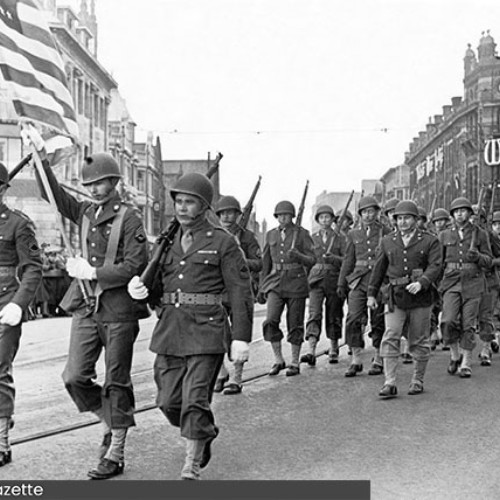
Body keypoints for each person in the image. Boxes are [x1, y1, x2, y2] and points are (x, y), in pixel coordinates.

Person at [24, 126, 150, 479]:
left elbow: (134, 264)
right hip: (85, 306)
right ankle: (111, 417)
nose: (94, 189)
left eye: (101, 183)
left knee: (117, 379)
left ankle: (116, 449)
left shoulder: (130, 217)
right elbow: (53, 195)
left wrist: (93, 272)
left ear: (115, 183)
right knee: (74, 376)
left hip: (119, 309)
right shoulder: (83, 212)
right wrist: (40, 158)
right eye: (90, 184)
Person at [127, 173, 253, 480]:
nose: (182, 208)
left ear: (204, 206)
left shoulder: (223, 242)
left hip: (206, 329)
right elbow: (158, 287)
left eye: (190, 202)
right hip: (171, 329)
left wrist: (240, 337)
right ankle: (203, 434)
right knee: (168, 401)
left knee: (196, 399)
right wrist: (141, 290)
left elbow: (240, 290)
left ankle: (191, 464)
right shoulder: (166, 242)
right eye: (179, 202)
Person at [367, 201, 442, 398]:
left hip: (421, 299)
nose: (402, 222)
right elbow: (378, 269)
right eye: (399, 218)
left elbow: (435, 265)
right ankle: (389, 382)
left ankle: (418, 379)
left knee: (418, 340)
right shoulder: (387, 241)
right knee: (391, 335)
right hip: (395, 296)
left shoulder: (430, 240)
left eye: (407, 218)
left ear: (416, 220)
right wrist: (371, 294)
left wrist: (423, 282)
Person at [0, 162, 42, 466]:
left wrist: (18, 303)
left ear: (3, 190)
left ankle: (1, 440)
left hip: (5, 304)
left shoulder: (18, 224)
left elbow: (32, 268)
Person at [259, 200, 315, 376]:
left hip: (296, 282)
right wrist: (262, 287)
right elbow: (265, 263)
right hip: (275, 282)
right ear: (276, 217)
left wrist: (298, 256)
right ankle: (278, 359)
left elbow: (312, 260)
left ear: (293, 216)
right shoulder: (271, 235)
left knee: (295, 323)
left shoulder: (302, 234)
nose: (283, 218)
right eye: (280, 215)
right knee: (270, 321)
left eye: (287, 215)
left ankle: (294, 362)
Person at [213, 195, 262, 395]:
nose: (226, 216)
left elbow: (259, 264)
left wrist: (241, 258)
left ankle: (237, 377)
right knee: (216, 333)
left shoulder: (247, 237)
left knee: (239, 333)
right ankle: (222, 372)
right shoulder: (213, 235)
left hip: (240, 289)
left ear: (237, 214)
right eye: (223, 213)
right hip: (218, 290)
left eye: (230, 212)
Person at [338, 196, 391, 377]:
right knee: (353, 319)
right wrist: (341, 283)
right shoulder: (353, 234)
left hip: (379, 281)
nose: (368, 215)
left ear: (377, 213)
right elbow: (348, 260)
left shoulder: (386, 231)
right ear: (360, 214)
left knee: (378, 320)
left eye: (371, 211)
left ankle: (378, 357)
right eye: (365, 212)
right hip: (358, 281)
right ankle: (356, 358)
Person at [439, 197, 492, 378]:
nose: (459, 214)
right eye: (456, 211)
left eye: (463, 210)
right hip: (451, 282)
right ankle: (455, 355)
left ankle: (466, 361)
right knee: (448, 321)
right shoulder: (445, 235)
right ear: (452, 214)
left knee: (468, 324)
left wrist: (477, 256)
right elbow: (438, 262)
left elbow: (488, 261)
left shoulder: (481, 234)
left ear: (470, 213)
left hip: (473, 282)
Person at [302, 205, 345, 365]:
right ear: (318, 220)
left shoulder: (341, 238)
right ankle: (311, 350)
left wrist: (334, 258)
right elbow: (307, 261)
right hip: (316, 281)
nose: (325, 220)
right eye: (322, 217)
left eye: (328, 217)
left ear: (333, 219)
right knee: (314, 314)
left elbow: (347, 261)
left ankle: (334, 348)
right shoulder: (312, 238)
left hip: (334, 280)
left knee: (334, 314)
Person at [429, 208, 451, 350]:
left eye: (442, 220)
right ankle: (432, 333)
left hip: (446, 274)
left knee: (446, 306)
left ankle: (446, 335)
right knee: (431, 305)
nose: (439, 223)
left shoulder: (449, 236)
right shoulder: (429, 236)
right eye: (436, 221)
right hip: (432, 274)